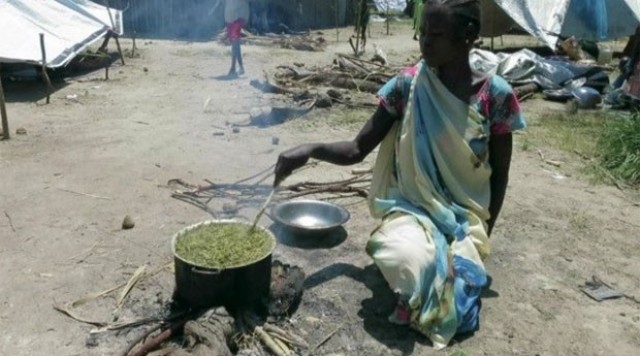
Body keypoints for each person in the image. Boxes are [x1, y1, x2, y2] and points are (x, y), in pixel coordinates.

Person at [273, 0, 525, 349]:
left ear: (468, 36)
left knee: (461, 296)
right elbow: (357, 148)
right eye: (422, 34)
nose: (425, 44)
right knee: (402, 257)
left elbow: (500, 176)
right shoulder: (407, 85)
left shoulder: (496, 96)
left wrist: (483, 235)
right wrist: (310, 149)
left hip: (466, 217)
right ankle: (422, 275)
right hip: (413, 209)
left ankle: (452, 265)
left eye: (435, 35)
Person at [224, 0, 249, 77]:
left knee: (235, 44)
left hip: (236, 20)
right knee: (235, 45)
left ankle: (233, 68)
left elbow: (243, 6)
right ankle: (240, 67)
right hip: (230, 20)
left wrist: (239, 17)